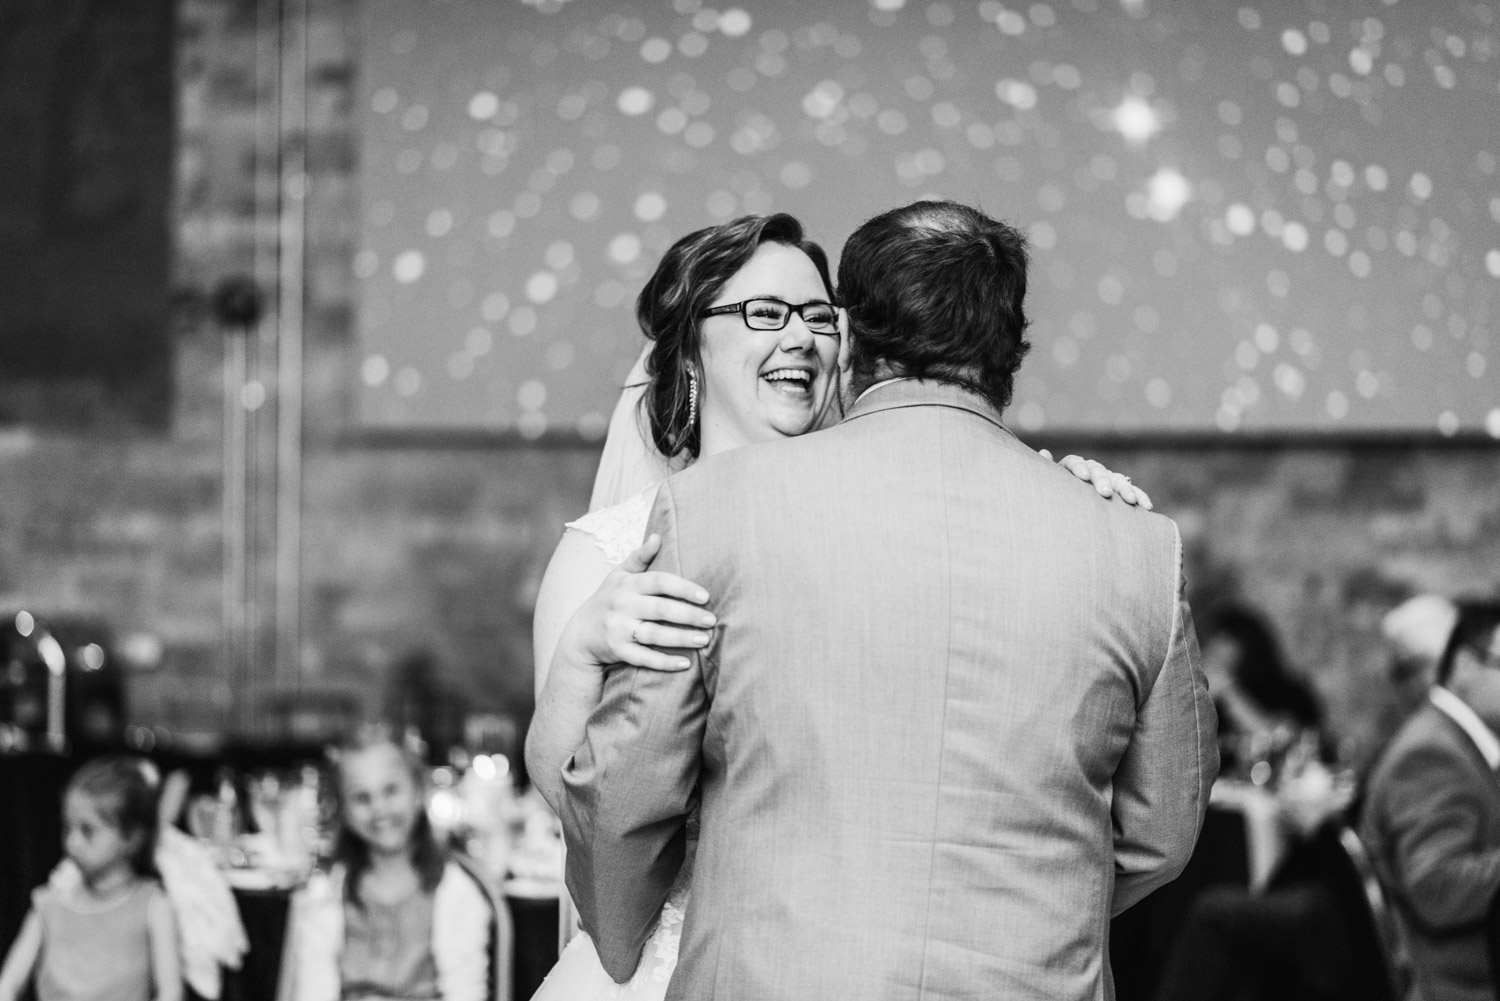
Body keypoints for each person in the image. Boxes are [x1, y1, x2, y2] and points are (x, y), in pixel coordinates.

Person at [553, 200, 1217, 999]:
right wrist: (1030, 901)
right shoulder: (1134, 545)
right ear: (1011, 345)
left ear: (853, 336)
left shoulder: (711, 513)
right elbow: (1163, 831)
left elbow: (624, 798)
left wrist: (620, 934)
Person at [283, 733, 510, 1001]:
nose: (379, 808)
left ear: (419, 791)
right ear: (343, 811)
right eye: (362, 798)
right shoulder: (324, 895)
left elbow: (466, 992)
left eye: (391, 791)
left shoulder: (457, 891)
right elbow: (312, 991)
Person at [1360, 599, 1500, 1001]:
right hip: (1466, 981)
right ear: (1466, 666)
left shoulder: (1460, 740)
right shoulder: (1431, 752)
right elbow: (1437, 890)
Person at [0, 755, 183, 1001]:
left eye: (88, 831)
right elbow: (7, 984)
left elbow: (170, 993)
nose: (72, 842)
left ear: (132, 836)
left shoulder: (154, 906)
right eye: (67, 828)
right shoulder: (49, 904)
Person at [1197, 602, 1324, 778]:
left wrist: (1229, 693)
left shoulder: (1287, 692)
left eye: (1219, 639)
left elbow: (1289, 746)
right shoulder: (1199, 695)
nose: (1209, 650)